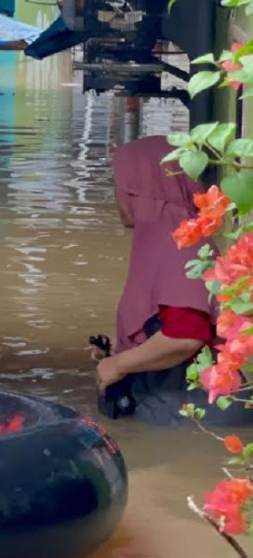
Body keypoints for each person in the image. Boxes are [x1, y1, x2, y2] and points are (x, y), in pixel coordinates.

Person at [94, 135, 251, 426]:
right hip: (208, 403)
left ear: (140, 188)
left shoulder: (175, 241)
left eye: (120, 184)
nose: (118, 196)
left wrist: (117, 364)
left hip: (195, 411)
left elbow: (185, 336)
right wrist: (126, 344)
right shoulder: (179, 233)